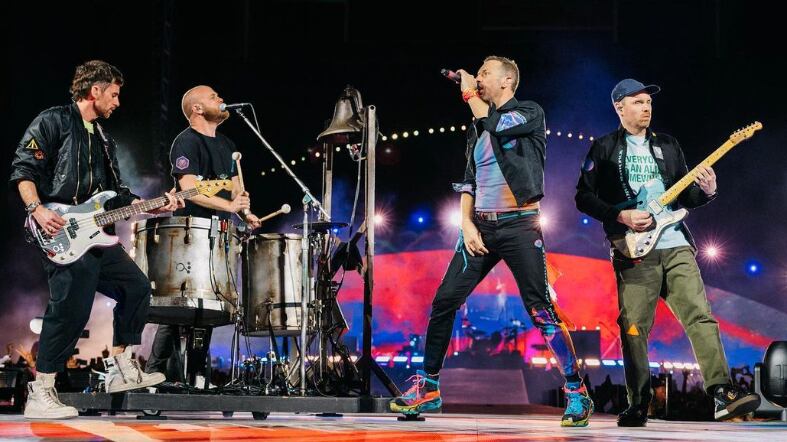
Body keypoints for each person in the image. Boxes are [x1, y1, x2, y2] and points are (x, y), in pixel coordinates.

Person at [390, 56, 593, 427]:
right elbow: (469, 180)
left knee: (541, 310)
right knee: (445, 300)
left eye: (485, 72)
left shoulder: (528, 113)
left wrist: (469, 92)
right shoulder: (476, 126)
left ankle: (576, 391)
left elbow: (498, 124)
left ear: (507, 80)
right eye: (477, 74)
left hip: (521, 226)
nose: (478, 77)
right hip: (482, 227)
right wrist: (466, 224)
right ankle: (429, 388)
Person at [574, 78, 761, 426]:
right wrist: (620, 215)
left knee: (700, 316)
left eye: (648, 102)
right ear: (619, 107)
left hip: (676, 244)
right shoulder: (604, 147)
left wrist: (708, 190)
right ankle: (638, 403)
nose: (646, 107)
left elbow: (684, 196)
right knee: (633, 328)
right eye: (638, 102)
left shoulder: (668, 145)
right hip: (634, 250)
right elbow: (583, 196)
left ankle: (722, 393)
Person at [10, 60, 183, 419]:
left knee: (136, 287)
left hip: (96, 235)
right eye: (114, 94)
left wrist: (150, 205)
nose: (118, 102)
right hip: (59, 230)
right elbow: (23, 169)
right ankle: (41, 392)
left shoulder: (104, 138)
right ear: (95, 90)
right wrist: (37, 209)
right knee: (71, 307)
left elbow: (115, 195)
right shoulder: (53, 121)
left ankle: (121, 368)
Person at [145, 85, 261, 386]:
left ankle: (197, 376)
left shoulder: (227, 144)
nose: (221, 99)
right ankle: (155, 374)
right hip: (189, 233)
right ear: (196, 109)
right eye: (213, 97)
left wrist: (244, 212)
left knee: (209, 304)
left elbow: (236, 191)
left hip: (219, 234)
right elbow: (188, 189)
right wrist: (230, 205)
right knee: (179, 305)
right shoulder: (186, 141)